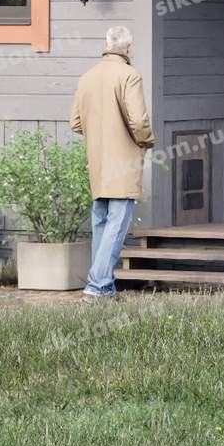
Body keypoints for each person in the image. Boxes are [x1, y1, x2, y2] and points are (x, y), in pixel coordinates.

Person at [70, 25, 155, 299]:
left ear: (106, 45)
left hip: (98, 163)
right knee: (116, 226)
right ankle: (97, 285)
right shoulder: (130, 75)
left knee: (101, 224)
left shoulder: (87, 77)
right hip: (123, 163)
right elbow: (139, 121)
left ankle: (103, 288)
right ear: (129, 48)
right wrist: (146, 141)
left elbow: (76, 123)